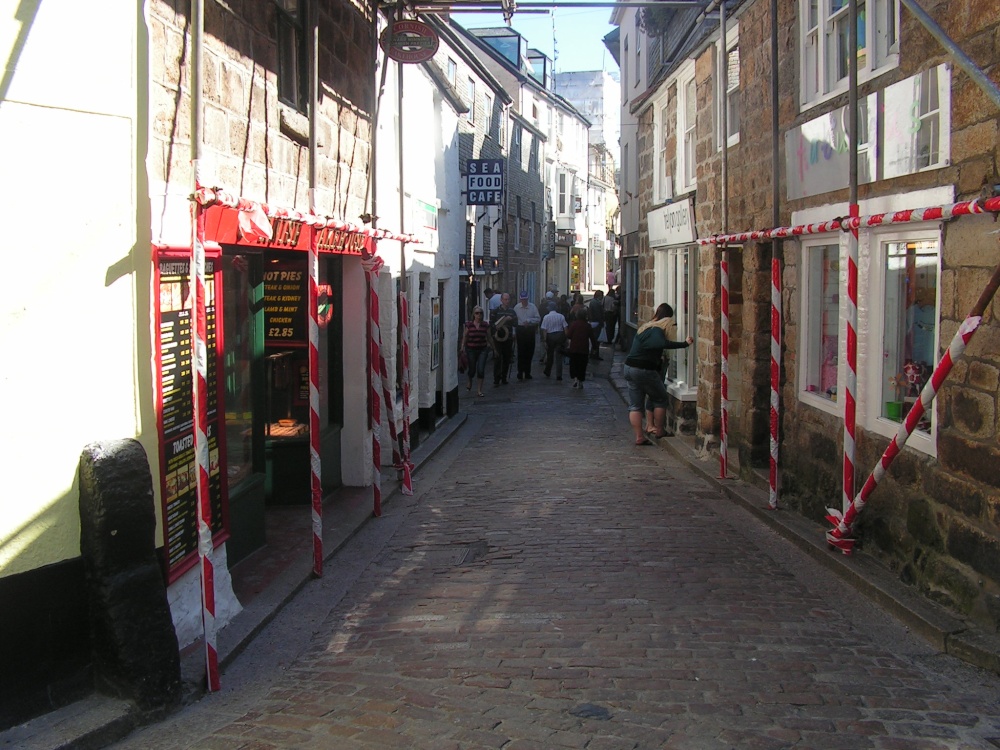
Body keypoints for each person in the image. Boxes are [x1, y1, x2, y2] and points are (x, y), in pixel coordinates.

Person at [623, 303, 693, 446]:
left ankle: (639, 436)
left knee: (635, 405)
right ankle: (659, 430)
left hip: (630, 367)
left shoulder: (646, 327)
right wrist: (684, 344)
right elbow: (660, 343)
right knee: (660, 399)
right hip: (644, 369)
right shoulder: (657, 330)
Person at [460, 306, 493, 396]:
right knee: (472, 369)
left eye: (481, 313)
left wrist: (494, 348)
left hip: (483, 349)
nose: (479, 315)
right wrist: (462, 347)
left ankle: (479, 390)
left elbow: (489, 337)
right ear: (473, 315)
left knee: (481, 369)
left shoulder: (485, 325)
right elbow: (465, 336)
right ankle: (470, 379)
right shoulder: (469, 325)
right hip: (471, 349)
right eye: (477, 313)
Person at [489, 292, 517, 386]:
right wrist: (496, 327)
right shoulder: (495, 311)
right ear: (501, 300)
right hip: (498, 338)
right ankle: (496, 379)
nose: (507, 301)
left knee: (506, 358)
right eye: (505, 299)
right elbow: (491, 324)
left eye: (508, 299)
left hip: (508, 338)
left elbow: (516, 324)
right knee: (497, 358)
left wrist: (511, 320)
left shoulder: (512, 311)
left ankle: (504, 377)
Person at [513, 291, 541, 380]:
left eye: (525, 299)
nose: (524, 301)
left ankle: (527, 372)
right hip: (520, 330)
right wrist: (514, 332)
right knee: (521, 352)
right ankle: (520, 372)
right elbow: (514, 321)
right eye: (522, 299)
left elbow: (538, 319)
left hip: (529, 330)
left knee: (529, 351)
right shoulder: (516, 308)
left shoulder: (533, 307)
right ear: (520, 299)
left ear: (527, 299)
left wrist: (529, 321)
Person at [540, 303, 569, 381]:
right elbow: (565, 328)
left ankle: (548, 371)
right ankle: (559, 375)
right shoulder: (561, 316)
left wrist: (545, 340)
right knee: (559, 356)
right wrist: (566, 338)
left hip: (550, 336)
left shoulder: (546, 317)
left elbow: (544, 330)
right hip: (560, 336)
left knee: (550, 355)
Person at [565, 307, 592, 389]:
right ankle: (580, 381)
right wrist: (594, 347)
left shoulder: (573, 324)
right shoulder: (588, 326)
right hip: (584, 349)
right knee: (582, 365)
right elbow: (592, 338)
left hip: (574, 348)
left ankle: (575, 379)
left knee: (574, 364)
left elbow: (569, 335)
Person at [587, 291, 605, 360]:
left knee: (594, 339)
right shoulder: (597, 303)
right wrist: (601, 322)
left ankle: (593, 353)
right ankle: (595, 354)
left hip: (593, 322)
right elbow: (598, 314)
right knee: (596, 340)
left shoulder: (593, 302)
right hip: (596, 323)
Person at [603, 286, 620, 350]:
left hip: (606, 313)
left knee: (607, 327)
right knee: (611, 327)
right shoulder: (613, 299)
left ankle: (606, 338)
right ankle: (610, 339)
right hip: (611, 314)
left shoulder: (605, 298)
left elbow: (602, 305)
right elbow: (613, 307)